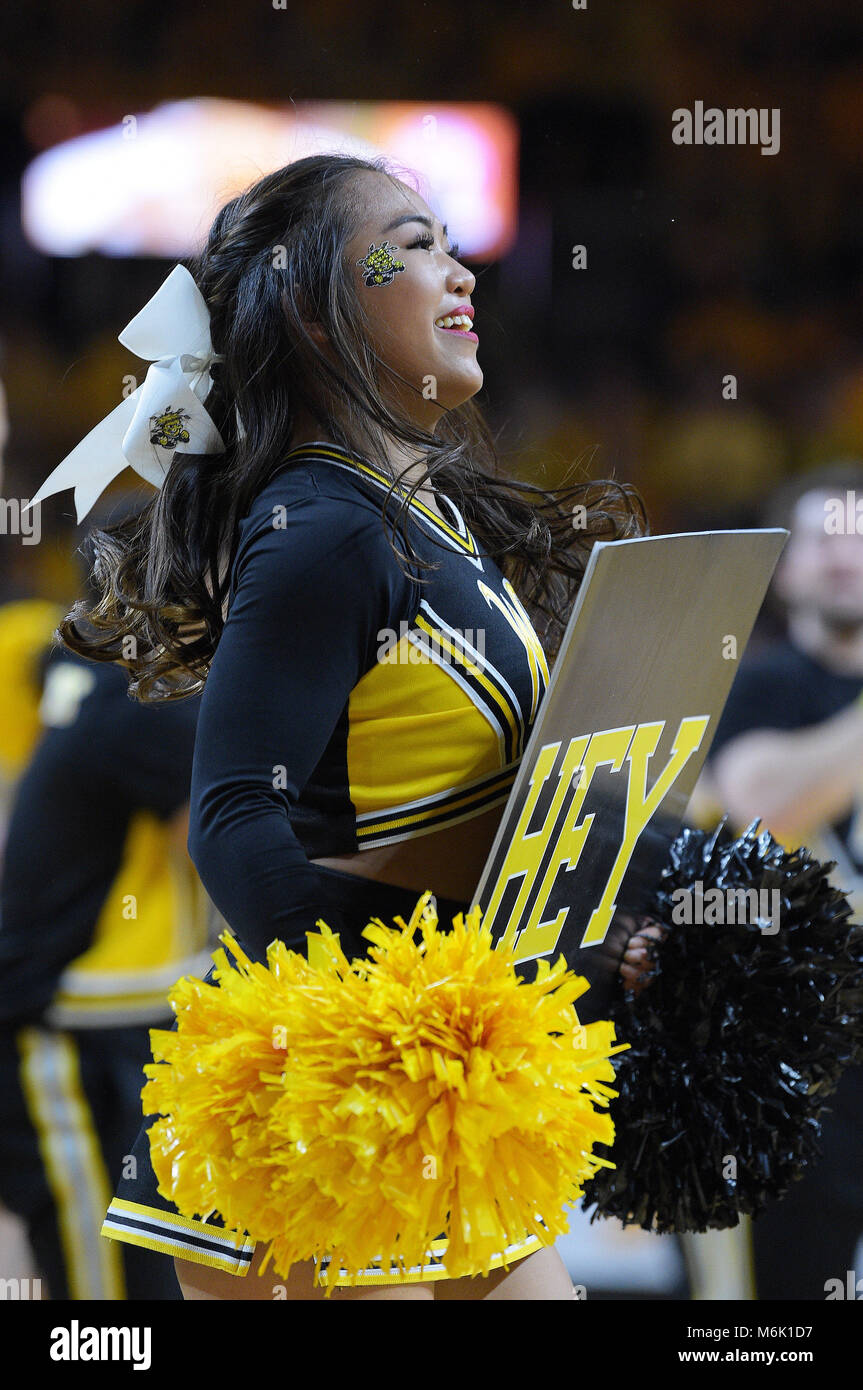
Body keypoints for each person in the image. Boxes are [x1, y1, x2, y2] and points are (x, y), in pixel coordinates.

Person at [32, 153, 653, 1300]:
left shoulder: (430, 519)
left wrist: (617, 926)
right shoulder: (321, 526)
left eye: (448, 243)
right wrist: (384, 1019)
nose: (456, 272)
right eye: (407, 247)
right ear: (315, 312)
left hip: (435, 1081)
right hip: (327, 1107)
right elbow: (232, 819)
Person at [0, 518, 213, 1297]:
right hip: (75, 1018)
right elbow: (225, 853)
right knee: (112, 1296)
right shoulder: (151, 700)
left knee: (129, 1277)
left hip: (108, 1010)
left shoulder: (65, 657)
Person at [707, 459, 863, 1301]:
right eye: (822, 539)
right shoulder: (755, 681)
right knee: (791, 1300)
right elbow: (765, 802)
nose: (844, 558)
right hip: (798, 1049)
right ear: (785, 568)